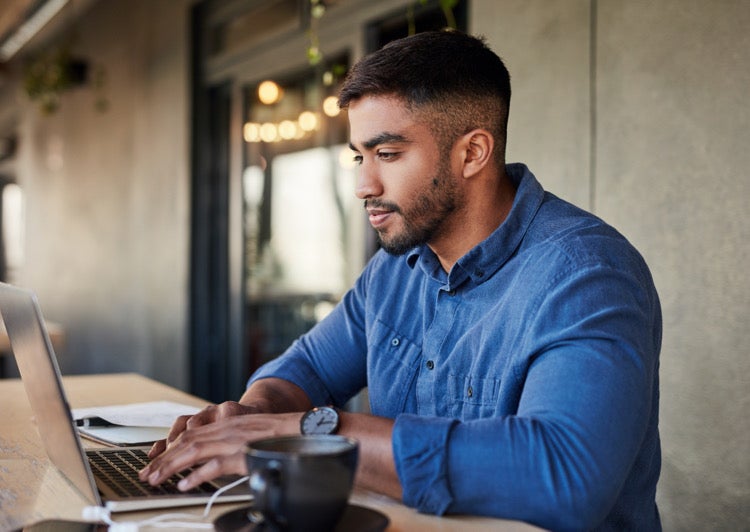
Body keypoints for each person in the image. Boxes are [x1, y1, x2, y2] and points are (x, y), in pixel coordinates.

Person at [140, 30, 662, 531]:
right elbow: (307, 367)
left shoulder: (586, 274)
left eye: (387, 154)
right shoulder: (394, 269)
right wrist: (254, 416)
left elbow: (564, 477)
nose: (364, 185)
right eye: (359, 156)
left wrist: (313, 431)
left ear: (472, 152)